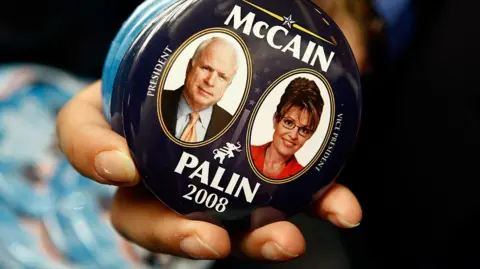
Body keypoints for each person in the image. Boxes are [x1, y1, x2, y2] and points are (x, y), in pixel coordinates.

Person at [161, 37, 238, 143]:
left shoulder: (234, 130)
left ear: (229, 84)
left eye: (222, 77)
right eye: (206, 68)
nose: (210, 82)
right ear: (189, 67)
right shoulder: (154, 101)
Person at [251, 77, 324, 180]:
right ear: (276, 120)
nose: (293, 135)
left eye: (304, 130)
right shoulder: (242, 152)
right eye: (289, 122)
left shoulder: (304, 179)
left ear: (310, 135)